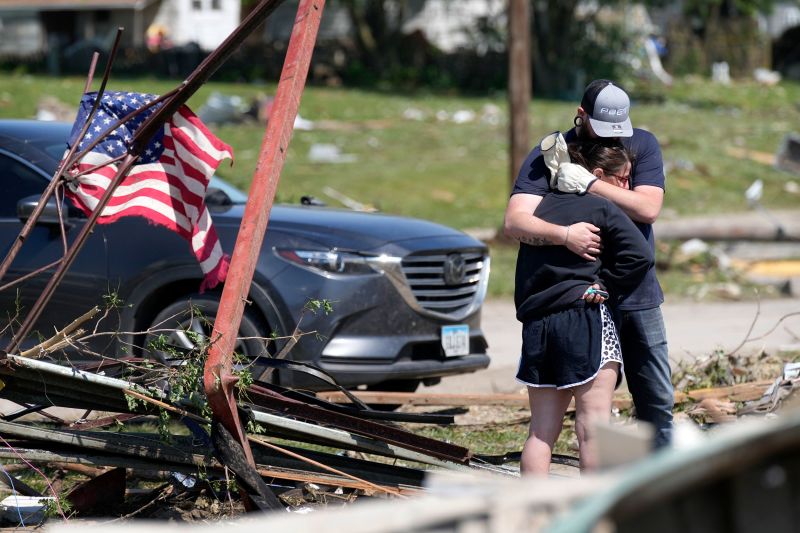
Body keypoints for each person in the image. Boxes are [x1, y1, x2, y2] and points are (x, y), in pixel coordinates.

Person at [505, 79, 673, 448]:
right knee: (591, 412)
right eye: (604, 129)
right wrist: (564, 236)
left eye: (619, 131)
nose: (613, 140)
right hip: (577, 298)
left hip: (635, 293)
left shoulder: (641, 144)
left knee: (656, 399)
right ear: (582, 116)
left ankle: (661, 483)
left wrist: (590, 185)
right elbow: (516, 221)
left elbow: (648, 208)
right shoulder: (550, 154)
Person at [515, 137, 653, 474]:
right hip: (585, 318)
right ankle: (593, 519)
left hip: (538, 325)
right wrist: (604, 284)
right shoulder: (602, 207)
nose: (626, 187)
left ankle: (530, 520)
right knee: (592, 429)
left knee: (540, 432)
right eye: (622, 179)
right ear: (597, 174)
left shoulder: (541, 211)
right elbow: (641, 256)